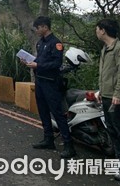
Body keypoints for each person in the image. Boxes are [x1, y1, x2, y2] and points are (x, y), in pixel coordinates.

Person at [24, 16, 76, 158]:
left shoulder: (56, 43)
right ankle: (48, 139)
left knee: (57, 113)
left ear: (45, 27)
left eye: (38, 28)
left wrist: (38, 65)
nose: (37, 30)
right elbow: (40, 60)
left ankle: (68, 145)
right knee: (43, 111)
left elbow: (56, 63)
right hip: (40, 81)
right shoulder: (40, 43)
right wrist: (30, 62)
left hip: (51, 83)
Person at [95, 18, 120, 182]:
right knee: (113, 130)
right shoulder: (106, 48)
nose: (96, 32)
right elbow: (106, 74)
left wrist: (119, 93)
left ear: (103, 30)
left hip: (117, 98)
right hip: (107, 96)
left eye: (97, 29)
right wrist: (101, 91)